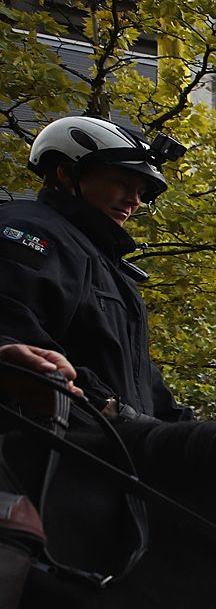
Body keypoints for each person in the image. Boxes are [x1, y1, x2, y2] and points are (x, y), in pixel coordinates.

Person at [0, 116, 192, 421]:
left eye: (141, 193)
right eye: (122, 183)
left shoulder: (112, 271)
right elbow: (15, 331)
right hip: (43, 456)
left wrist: (186, 434)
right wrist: (105, 407)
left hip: (108, 457)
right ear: (66, 173)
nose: (134, 201)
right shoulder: (29, 229)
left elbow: (139, 381)